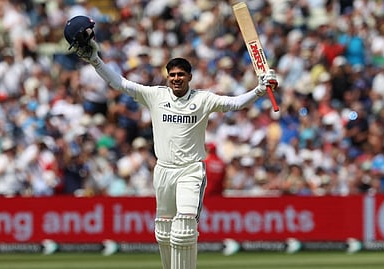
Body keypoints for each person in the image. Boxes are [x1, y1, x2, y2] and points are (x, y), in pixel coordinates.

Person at [63, 15, 278, 269]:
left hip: (190, 170)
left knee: (184, 229)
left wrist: (259, 90)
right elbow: (118, 83)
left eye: (181, 75)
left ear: (189, 77)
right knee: (163, 232)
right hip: (163, 170)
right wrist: (96, 61)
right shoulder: (155, 96)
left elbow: (234, 103)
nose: (176, 78)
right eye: (172, 75)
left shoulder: (203, 99)